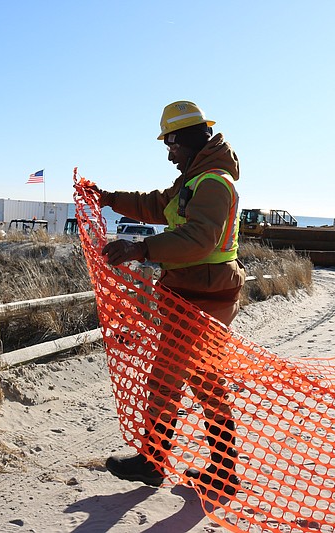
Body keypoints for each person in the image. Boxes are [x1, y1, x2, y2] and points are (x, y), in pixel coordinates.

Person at [93, 100, 245, 497]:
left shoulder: (212, 182)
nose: (168, 151)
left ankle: (153, 462)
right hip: (201, 292)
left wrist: (140, 250)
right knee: (207, 381)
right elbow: (156, 204)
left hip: (202, 296)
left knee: (165, 379)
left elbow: (199, 239)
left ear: (191, 139)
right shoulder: (195, 180)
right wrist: (109, 197)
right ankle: (223, 471)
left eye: (172, 143)